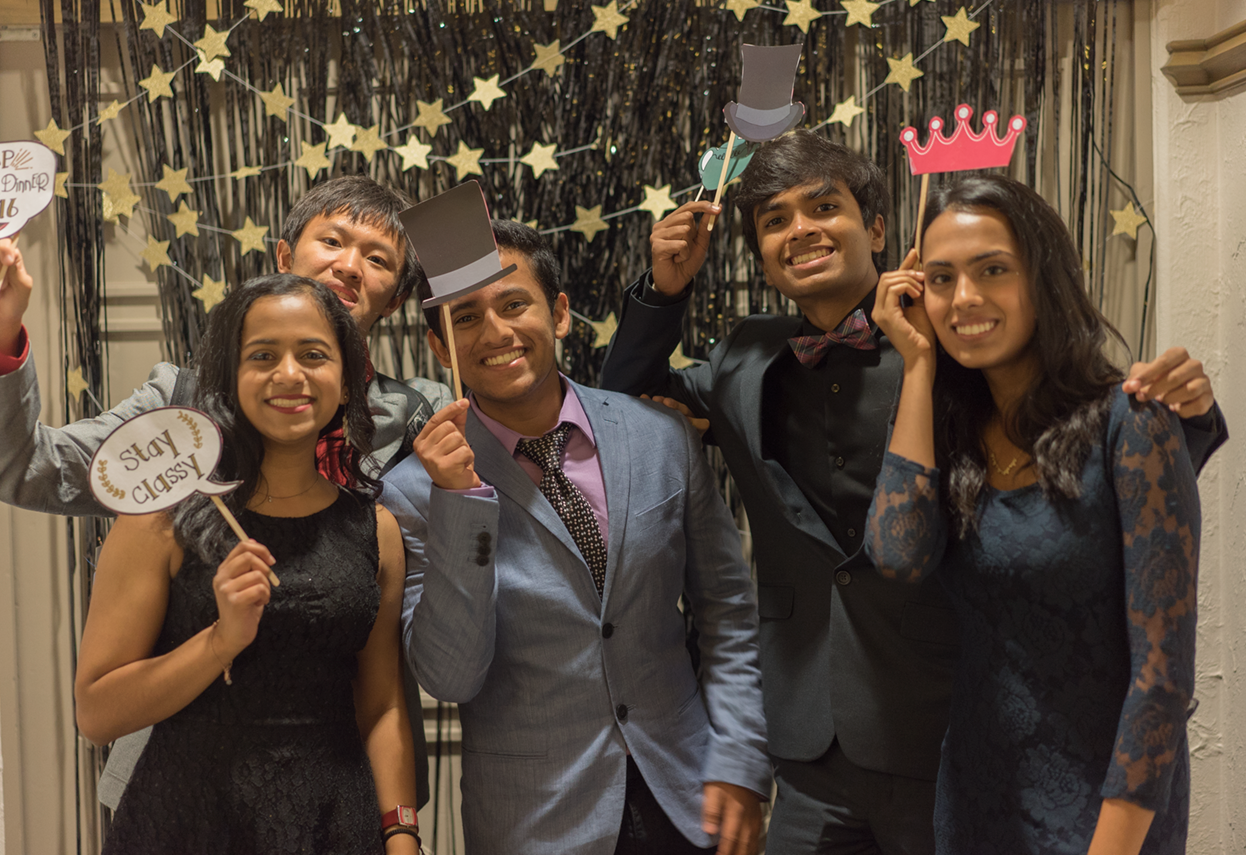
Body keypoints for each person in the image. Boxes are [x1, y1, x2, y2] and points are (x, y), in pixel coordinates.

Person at [599, 130, 1225, 854]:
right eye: (774, 220)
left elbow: (1075, 448)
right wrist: (663, 292)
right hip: (806, 737)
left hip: (951, 726)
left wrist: (1192, 411)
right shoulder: (745, 357)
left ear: (876, 228)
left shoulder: (958, 350)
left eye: (823, 206)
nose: (800, 229)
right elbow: (624, 415)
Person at [0, 175, 444, 809]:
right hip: (182, 774)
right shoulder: (180, 405)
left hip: (348, 778)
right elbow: (24, 467)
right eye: (332, 239)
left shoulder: (422, 422)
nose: (350, 266)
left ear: (397, 296)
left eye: (378, 259)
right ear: (283, 257)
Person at [381, 220, 772, 855]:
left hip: (691, 797)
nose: (496, 333)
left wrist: (742, 757)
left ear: (559, 314)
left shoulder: (661, 436)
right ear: (440, 348)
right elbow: (451, 677)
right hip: (536, 822)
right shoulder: (410, 492)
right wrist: (459, 502)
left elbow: (727, 611)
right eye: (466, 318)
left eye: (514, 304)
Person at [866, 174, 1199, 853]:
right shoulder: (948, 436)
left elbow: (1162, 681)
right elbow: (897, 555)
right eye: (940, 278)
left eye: (993, 269)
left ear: (1043, 277)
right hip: (977, 802)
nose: (965, 298)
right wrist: (919, 365)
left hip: (1106, 813)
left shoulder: (1130, 423)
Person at [75, 274, 419, 854]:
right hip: (188, 823)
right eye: (262, 355)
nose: (290, 374)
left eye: (313, 355)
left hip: (333, 823)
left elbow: (381, 703)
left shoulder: (376, 529)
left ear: (346, 377)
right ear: (229, 377)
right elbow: (97, 712)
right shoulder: (164, 521)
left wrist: (402, 835)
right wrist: (219, 641)